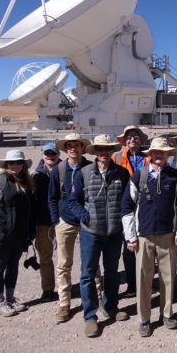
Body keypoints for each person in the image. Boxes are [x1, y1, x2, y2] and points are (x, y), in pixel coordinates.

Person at [122, 137, 177, 337]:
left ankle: (167, 314)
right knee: (143, 280)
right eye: (156, 152)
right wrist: (131, 237)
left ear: (168, 155)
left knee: (168, 279)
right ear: (150, 154)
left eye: (163, 152)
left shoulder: (175, 176)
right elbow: (127, 207)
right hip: (144, 237)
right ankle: (144, 319)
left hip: (168, 236)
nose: (159, 155)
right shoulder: (138, 177)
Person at [69, 134, 131, 338]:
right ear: (95, 152)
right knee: (87, 274)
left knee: (112, 272)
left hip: (114, 232)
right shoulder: (84, 173)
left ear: (112, 151)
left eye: (107, 149)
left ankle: (111, 307)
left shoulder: (122, 173)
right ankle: (90, 317)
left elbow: (127, 202)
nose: (104, 153)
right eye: (100, 149)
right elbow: (73, 200)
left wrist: (123, 222)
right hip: (91, 233)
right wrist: (84, 217)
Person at [49, 133, 102, 324]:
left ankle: (97, 298)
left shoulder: (90, 167)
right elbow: (52, 196)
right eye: (69, 146)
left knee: (92, 262)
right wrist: (56, 219)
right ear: (65, 149)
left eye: (76, 145)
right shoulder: (59, 170)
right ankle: (64, 302)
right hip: (65, 221)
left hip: (87, 221)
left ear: (82, 147)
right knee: (64, 263)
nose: (73, 149)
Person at [0, 150, 35, 316]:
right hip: (1, 235)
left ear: (22, 165)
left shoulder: (26, 183)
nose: (15, 166)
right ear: (6, 165)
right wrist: (3, 225)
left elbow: (28, 211)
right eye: (11, 163)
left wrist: (29, 231)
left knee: (13, 267)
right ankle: (0, 301)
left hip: (19, 236)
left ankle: (10, 298)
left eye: (18, 163)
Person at [113, 125, 151, 298]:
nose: (132, 140)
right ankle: (132, 285)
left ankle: (147, 285)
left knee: (146, 249)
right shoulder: (116, 157)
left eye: (135, 136)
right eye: (129, 137)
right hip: (124, 207)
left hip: (145, 207)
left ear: (140, 140)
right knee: (128, 248)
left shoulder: (148, 158)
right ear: (125, 141)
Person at [31, 143, 61, 302]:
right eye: (47, 153)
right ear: (42, 155)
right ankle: (48, 289)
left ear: (58, 154)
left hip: (63, 221)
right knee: (45, 257)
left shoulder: (66, 170)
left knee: (64, 259)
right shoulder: (34, 175)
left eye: (53, 153)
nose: (50, 156)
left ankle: (65, 288)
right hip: (43, 222)